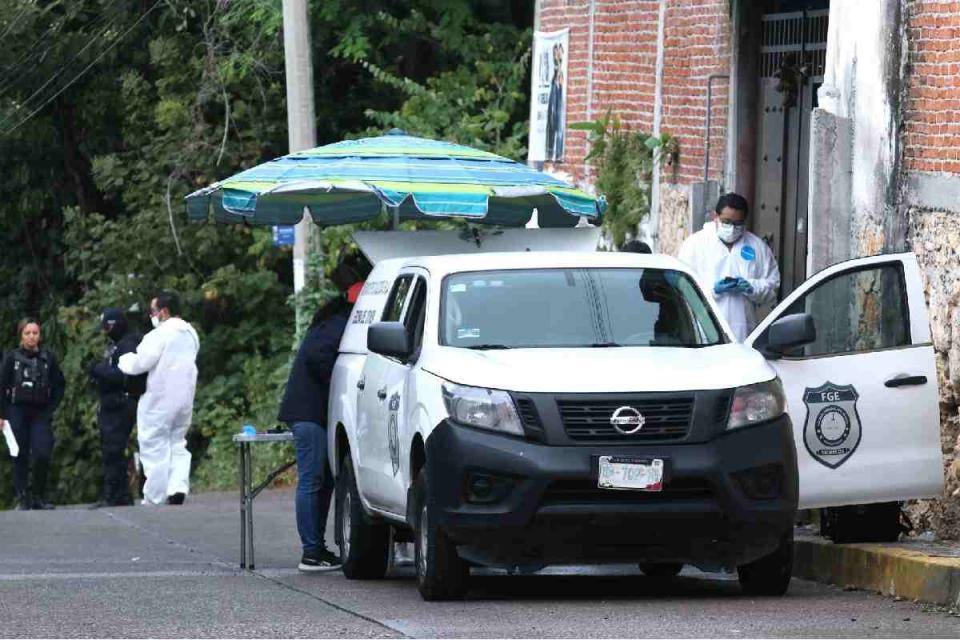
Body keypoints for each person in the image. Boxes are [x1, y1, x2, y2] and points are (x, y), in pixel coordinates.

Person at [279, 252, 368, 572]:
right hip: (309, 412)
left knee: (324, 480)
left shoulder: (336, 318)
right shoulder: (340, 321)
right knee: (313, 480)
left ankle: (318, 548)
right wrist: (340, 384)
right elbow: (319, 357)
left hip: (316, 413)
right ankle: (311, 552)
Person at [118, 292, 199, 506]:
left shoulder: (161, 334)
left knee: (154, 445)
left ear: (163, 312)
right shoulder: (191, 333)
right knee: (177, 442)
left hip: (160, 397)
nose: (151, 315)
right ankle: (178, 487)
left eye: (153, 311)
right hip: (184, 397)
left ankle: (155, 496)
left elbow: (140, 363)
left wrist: (123, 360)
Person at [678, 193, 780, 341]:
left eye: (738, 223)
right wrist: (712, 290)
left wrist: (752, 287)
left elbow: (773, 288)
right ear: (715, 216)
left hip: (744, 332)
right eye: (726, 221)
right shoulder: (695, 245)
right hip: (704, 333)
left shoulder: (757, 247)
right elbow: (682, 287)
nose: (732, 228)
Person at [0, 318, 66, 510]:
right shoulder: (11, 358)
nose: (31, 337)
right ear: (21, 335)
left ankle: (38, 495)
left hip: (40, 412)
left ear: (40, 335)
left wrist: (51, 407)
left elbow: (59, 384)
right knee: (19, 454)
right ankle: (23, 497)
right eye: (27, 333)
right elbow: (2, 385)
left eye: (35, 333)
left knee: (42, 453)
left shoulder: (48, 358)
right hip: (17, 411)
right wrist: (2, 414)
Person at [88, 308, 146, 508]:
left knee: (113, 449)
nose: (104, 331)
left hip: (121, 404)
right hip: (114, 403)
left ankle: (115, 495)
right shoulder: (118, 345)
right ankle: (118, 494)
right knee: (112, 450)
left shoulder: (128, 345)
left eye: (107, 327)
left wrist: (97, 369)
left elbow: (124, 374)